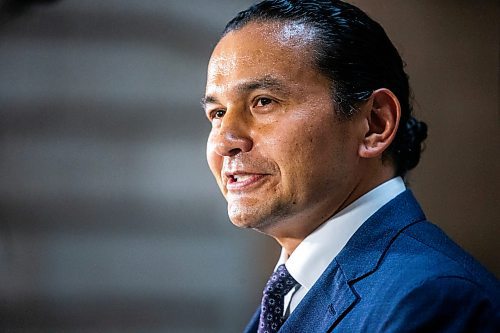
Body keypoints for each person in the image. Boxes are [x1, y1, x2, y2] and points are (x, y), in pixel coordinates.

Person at [202, 0, 499, 332]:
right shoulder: (290, 292)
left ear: (374, 123)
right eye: (217, 113)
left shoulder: (434, 298)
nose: (226, 140)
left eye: (264, 102)